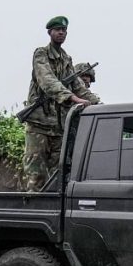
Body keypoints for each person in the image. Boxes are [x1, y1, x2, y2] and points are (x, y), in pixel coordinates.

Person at [22, 16, 101, 191]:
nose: (61, 33)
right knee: (36, 175)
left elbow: (79, 87)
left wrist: (98, 104)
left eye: (64, 30)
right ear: (50, 32)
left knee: (58, 174)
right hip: (39, 124)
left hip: (59, 126)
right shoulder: (41, 54)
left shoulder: (66, 59)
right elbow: (48, 81)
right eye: (57, 29)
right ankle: (35, 210)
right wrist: (73, 98)